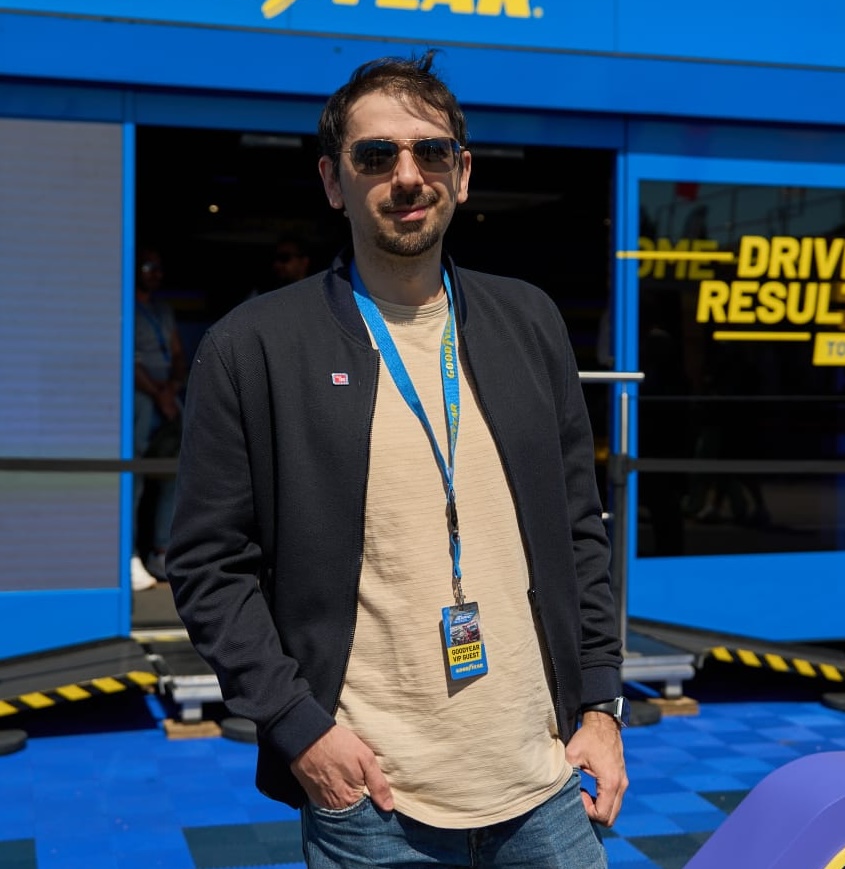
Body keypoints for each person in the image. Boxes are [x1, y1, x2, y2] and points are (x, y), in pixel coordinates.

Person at [166, 49, 628, 868]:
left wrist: (599, 706)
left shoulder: (528, 321)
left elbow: (579, 531)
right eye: (376, 155)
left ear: (463, 170)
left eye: (431, 151)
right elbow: (207, 563)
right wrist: (297, 727)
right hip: (373, 801)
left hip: (545, 781)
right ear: (334, 181)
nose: (407, 175)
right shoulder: (256, 345)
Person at [133, 245, 186, 590]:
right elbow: (122, 356)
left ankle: (161, 549)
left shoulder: (162, 310)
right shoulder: (123, 306)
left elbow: (178, 352)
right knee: (132, 478)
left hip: (168, 397)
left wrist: (171, 388)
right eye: (147, 265)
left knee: (175, 472)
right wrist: (157, 393)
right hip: (137, 400)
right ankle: (127, 555)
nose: (154, 272)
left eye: (158, 266)